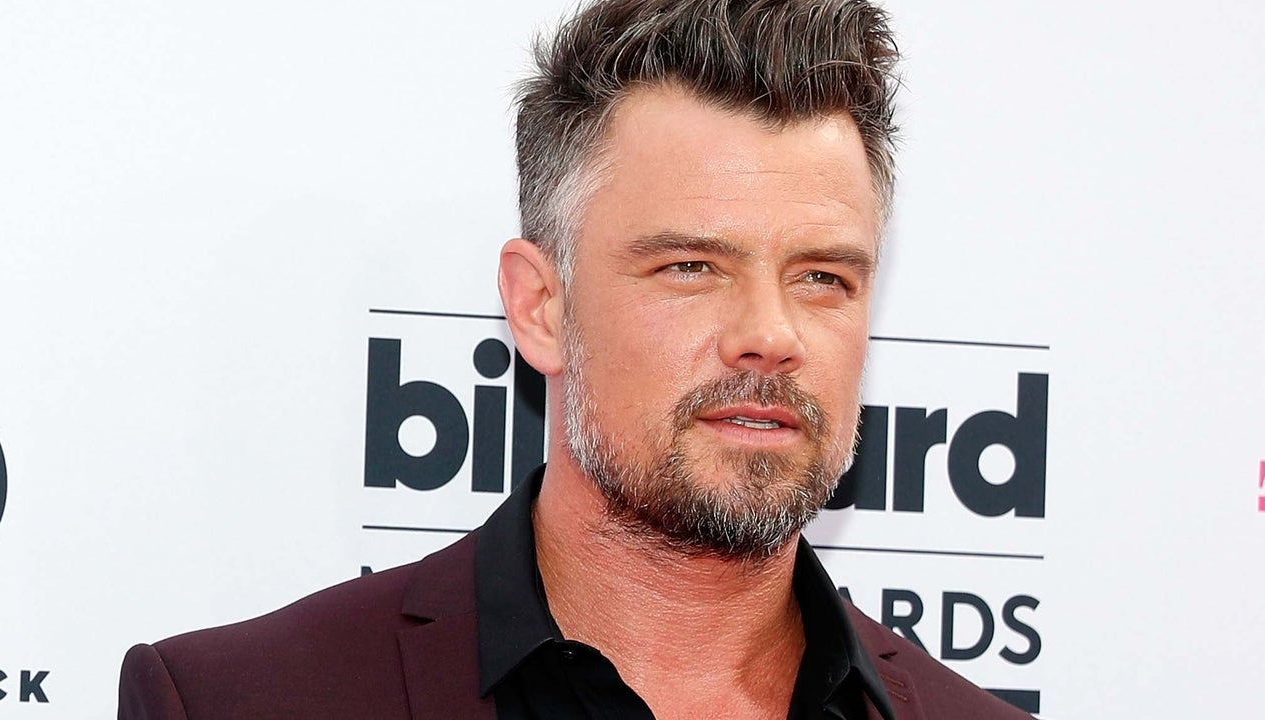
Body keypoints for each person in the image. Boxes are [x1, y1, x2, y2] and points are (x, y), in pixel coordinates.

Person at [119, 1, 1032, 718]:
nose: (770, 332)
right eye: (691, 267)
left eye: (823, 277)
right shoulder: (242, 700)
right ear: (540, 308)